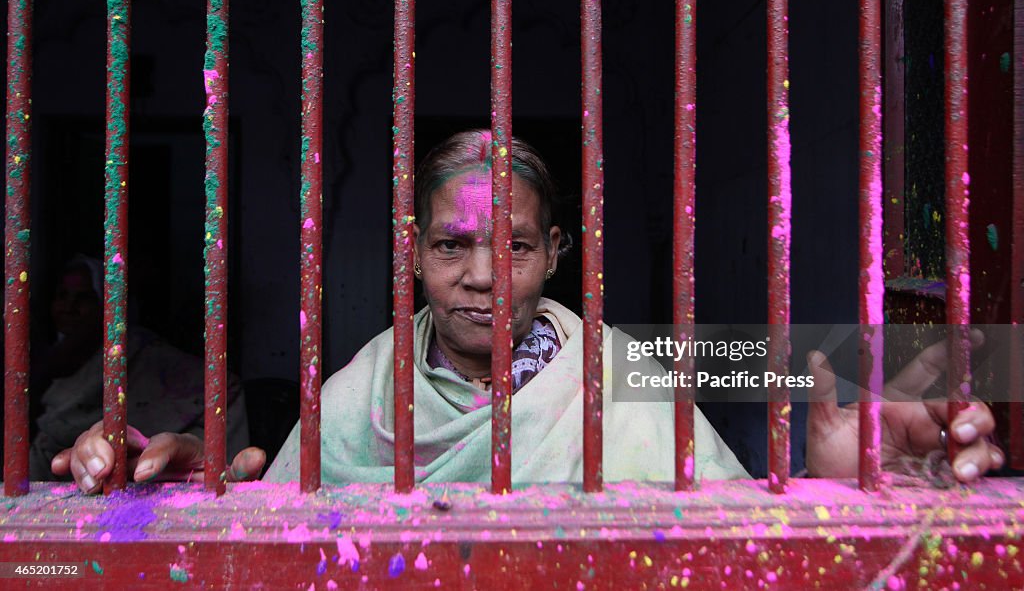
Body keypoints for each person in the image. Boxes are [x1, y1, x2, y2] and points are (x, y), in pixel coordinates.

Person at [52, 130, 1004, 491]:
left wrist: (841, 487)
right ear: (413, 255)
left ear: (557, 253)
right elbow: (270, 539)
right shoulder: (356, 395)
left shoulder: (637, 371)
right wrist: (188, 491)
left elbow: (725, 542)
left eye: (510, 245)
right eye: (449, 245)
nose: (477, 275)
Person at [33, 254, 251, 487]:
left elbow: (220, 386)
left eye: (84, 298)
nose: (68, 307)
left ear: (108, 306)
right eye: (62, 296)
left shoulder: (140, 355)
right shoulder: (48, 358)